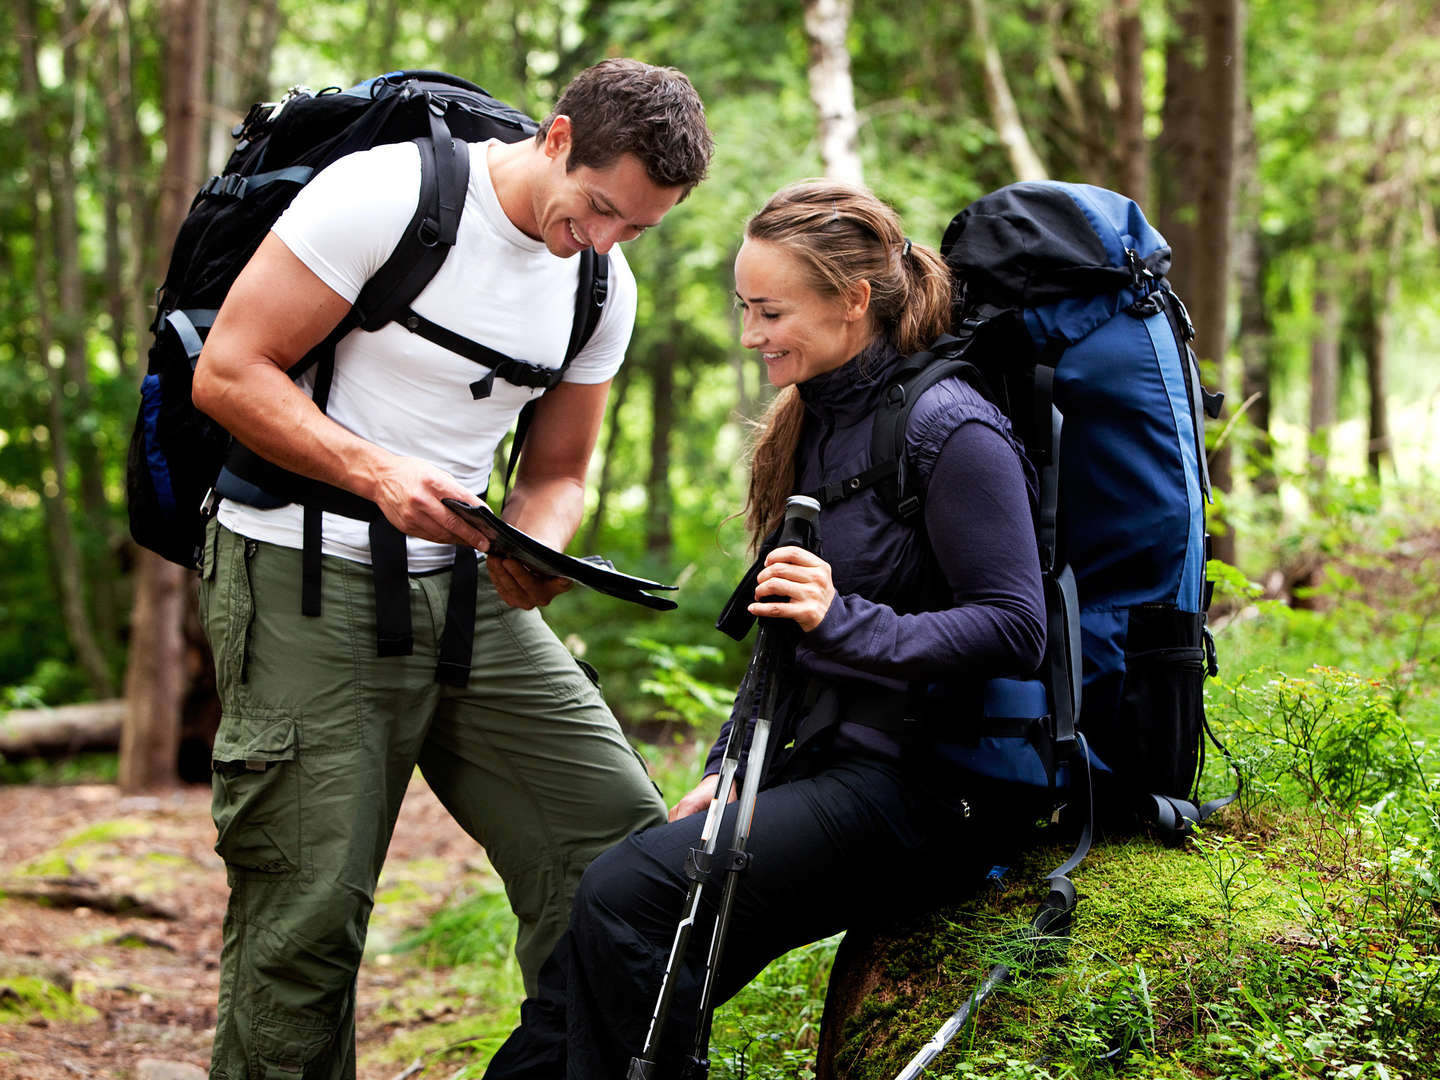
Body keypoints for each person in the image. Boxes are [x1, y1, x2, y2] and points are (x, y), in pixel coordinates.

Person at [190, 59, 713, 1079]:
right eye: (600, 208)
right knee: (307, 914)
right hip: (300, 570)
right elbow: (229, 371)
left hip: (467, 594)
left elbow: (559, 470)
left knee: (618, 852)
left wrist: (536, 544)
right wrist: (374, 469)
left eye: (638, 228)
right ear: (556, 140)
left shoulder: (602, 283)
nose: (604, 239)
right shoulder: (386, 195)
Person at [483, 180, 1047, 1078]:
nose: (751, 336)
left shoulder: (951, 425)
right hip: (831, 764)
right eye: (745, 308)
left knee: (629, 896)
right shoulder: (818, 419)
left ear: (854, 300)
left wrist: (846, 620)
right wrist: (728, 768)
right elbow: (783, 646)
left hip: (935, 792)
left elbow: (1018, 628)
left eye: (771, 311)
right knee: (615, 953)